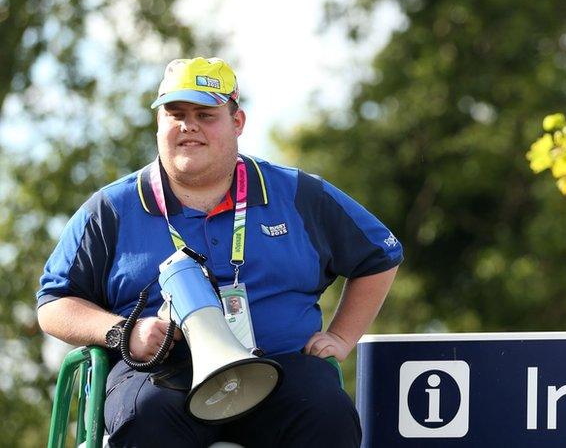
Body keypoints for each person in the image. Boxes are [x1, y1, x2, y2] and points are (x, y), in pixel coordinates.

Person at [37, 57, 401, 447]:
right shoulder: (110, 208)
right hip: (160, 375)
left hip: (280, 368)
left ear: (237, 122)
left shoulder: (296, 193)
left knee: (326, 410)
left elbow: (380, 257)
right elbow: (53, 303)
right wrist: (123, 332)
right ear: (158, 123)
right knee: (145, 417)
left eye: (205, 114)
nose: (187, 125)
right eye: (174, 113)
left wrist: (342, 337)